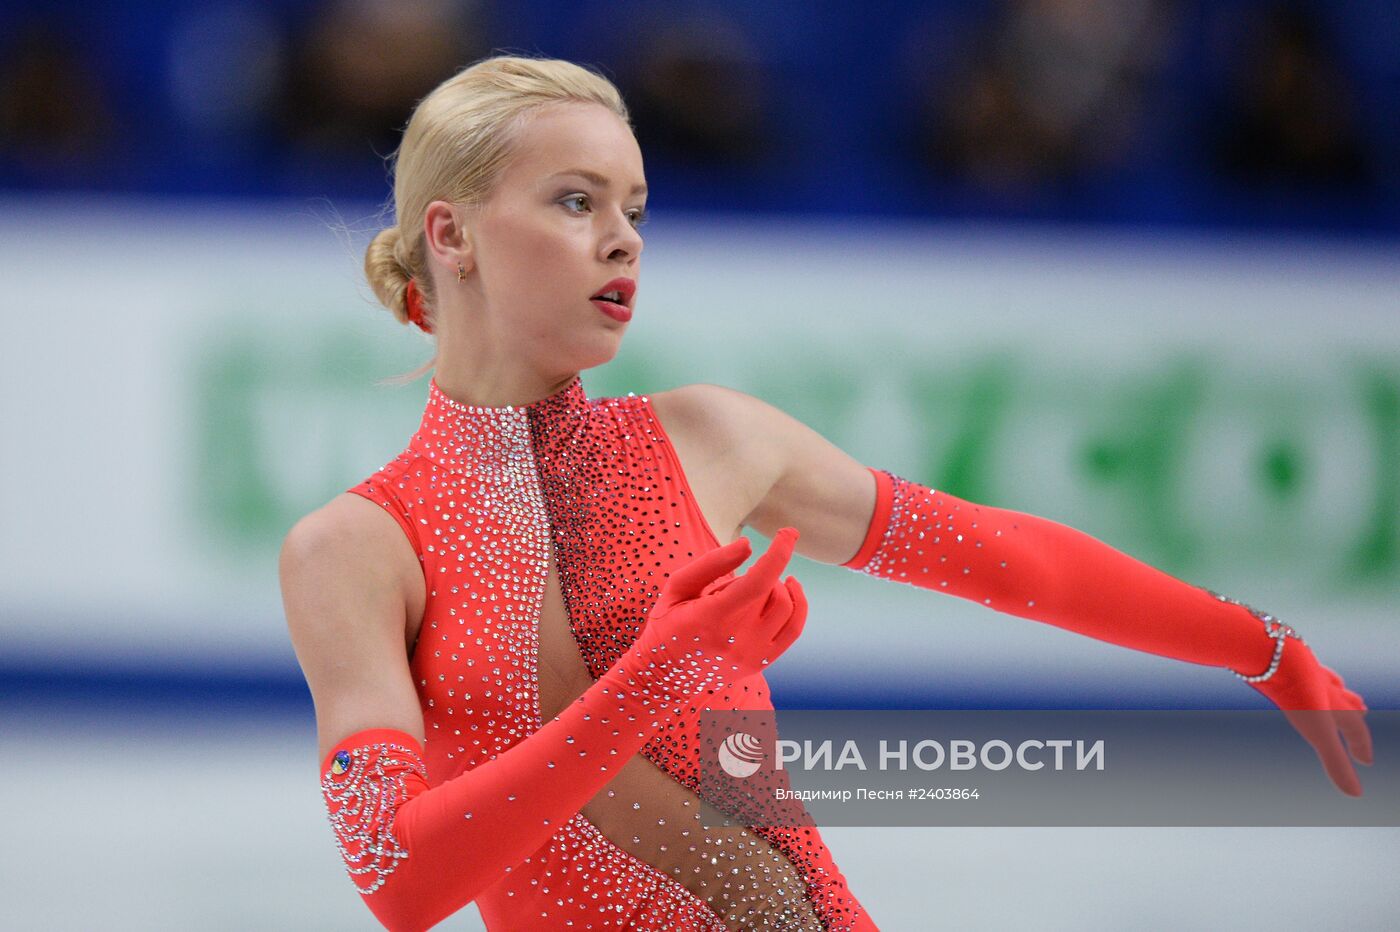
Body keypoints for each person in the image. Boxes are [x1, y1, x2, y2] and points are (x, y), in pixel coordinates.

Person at [279, 54, 1373, 932]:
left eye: (635, 208)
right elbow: (398, 883)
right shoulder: (355, 547)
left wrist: (1258, 645)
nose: (621, 237)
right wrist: (658, 672)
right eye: (574, 201)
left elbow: (1001, 557)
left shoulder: (707, 438)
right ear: (451, 233)